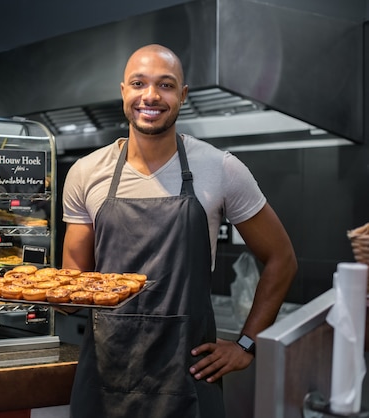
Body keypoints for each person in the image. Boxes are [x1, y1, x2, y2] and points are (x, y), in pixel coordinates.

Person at [61, 44, 297, 418]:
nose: (150, 96)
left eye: (166, 85)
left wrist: (246, 345)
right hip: (104, 377)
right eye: (139, 83)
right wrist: (44, 296)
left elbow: (282, 259)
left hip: (185, 380)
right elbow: (73, 277)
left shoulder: (221, 170)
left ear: (183, 95)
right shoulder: (86, 174)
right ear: (123, 91)